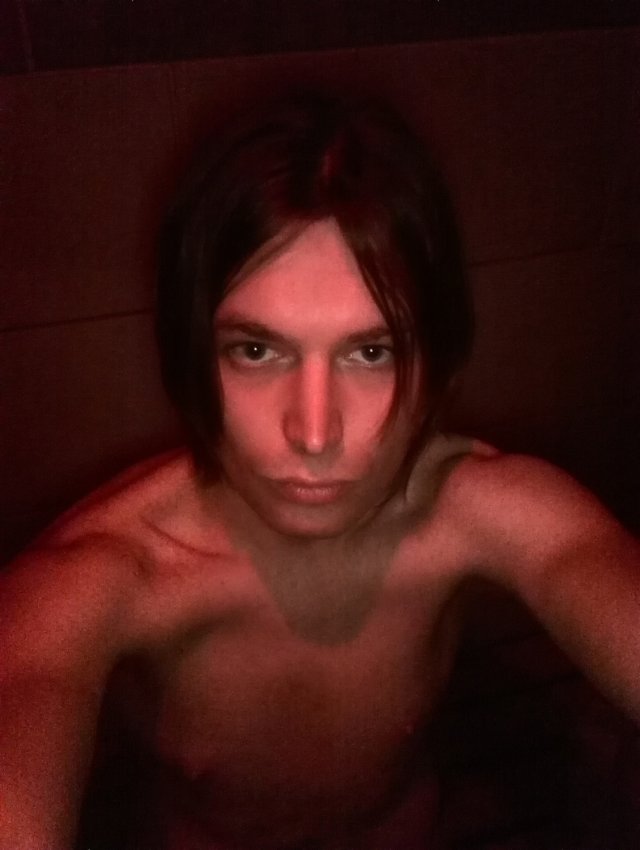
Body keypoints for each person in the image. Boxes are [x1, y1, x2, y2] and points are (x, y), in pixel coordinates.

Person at [0, 91, 638, 850]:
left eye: (372, 352)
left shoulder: (478, 511)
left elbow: (582, 560)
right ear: (188, 359)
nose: (312, 433)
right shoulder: (101, 579)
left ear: (440, 367)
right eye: (256, 351)